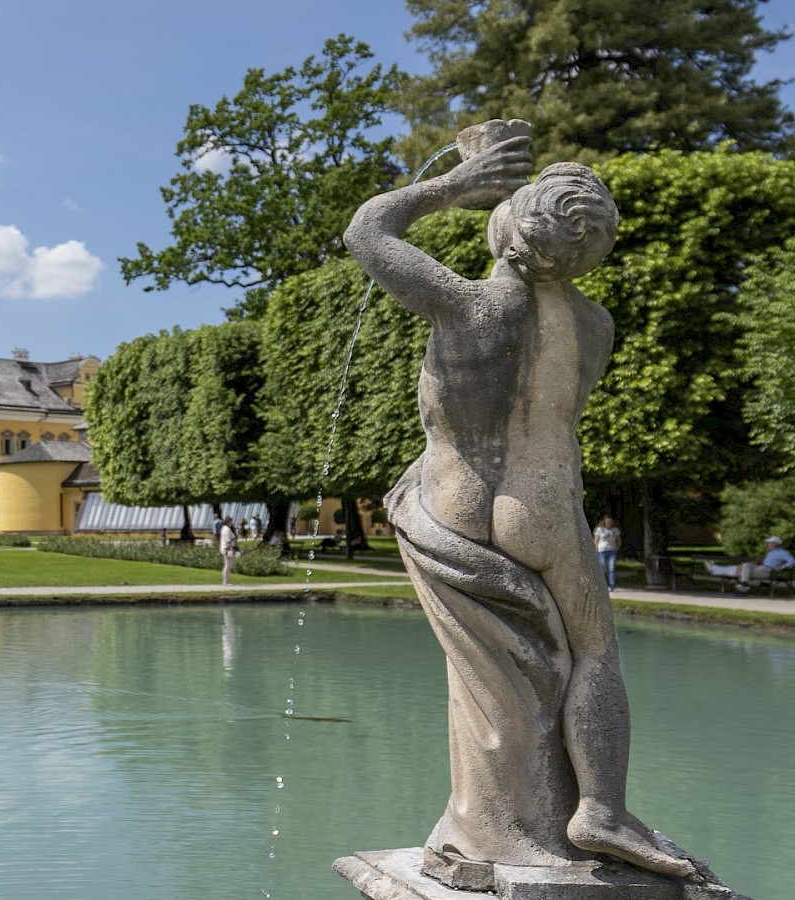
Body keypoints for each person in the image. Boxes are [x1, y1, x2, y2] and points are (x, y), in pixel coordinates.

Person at [344, 120, 695, 880]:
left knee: (486, 673)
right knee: (593, 650)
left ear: (509, 227)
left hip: (456, 494)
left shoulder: (465, 305)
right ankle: (600, 805)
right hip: (543, 506)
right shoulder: (596, 326)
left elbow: (366, 229)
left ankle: (499, 820)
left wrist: (449, 189)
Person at [592, 515, 621, 589]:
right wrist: (595, 549)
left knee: (611, 568)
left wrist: (617, 548)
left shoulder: (615, 530)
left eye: (611, 522)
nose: (609, 523)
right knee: (603, 568)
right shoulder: (599, 529)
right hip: (601, 551)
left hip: (611, 551)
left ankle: (612, 585)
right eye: (608, 521)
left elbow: (619, 539)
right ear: (605, 522)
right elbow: (596, 540)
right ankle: (603, 585)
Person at [219, 516, 239, 586]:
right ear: (228, 522)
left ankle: (226, 581)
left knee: (227, 565)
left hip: (225, 548)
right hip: (227, 549)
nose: (232, 523)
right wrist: (232, 549)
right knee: (228, 565)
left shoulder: (224, 528)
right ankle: (226, 581)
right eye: (231, 522)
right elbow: (228, 541)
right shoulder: (227, 530)